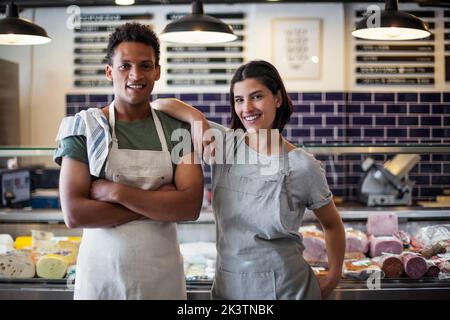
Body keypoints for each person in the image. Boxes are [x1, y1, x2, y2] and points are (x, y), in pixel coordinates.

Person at [152, 60, 345, 300]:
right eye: (239, 100)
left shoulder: (302, 165)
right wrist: (196, 117)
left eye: (256, 97)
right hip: (228, 288)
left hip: (287, 289)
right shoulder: (223, 144)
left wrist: (333, 276)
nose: (247, 108)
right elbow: (158, 105)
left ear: (278, 98)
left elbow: (333, 225)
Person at [54, 22, 204, 300]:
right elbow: (75, 213)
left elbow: (189, 206)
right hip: (101, 280)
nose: (136, 74)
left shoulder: (177, 129)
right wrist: (157, 204)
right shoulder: (83, 128)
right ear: (109, 72)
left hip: (161, 279)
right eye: (125, 66)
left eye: (146, 65)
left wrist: (116, 193)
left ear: (157, 71)